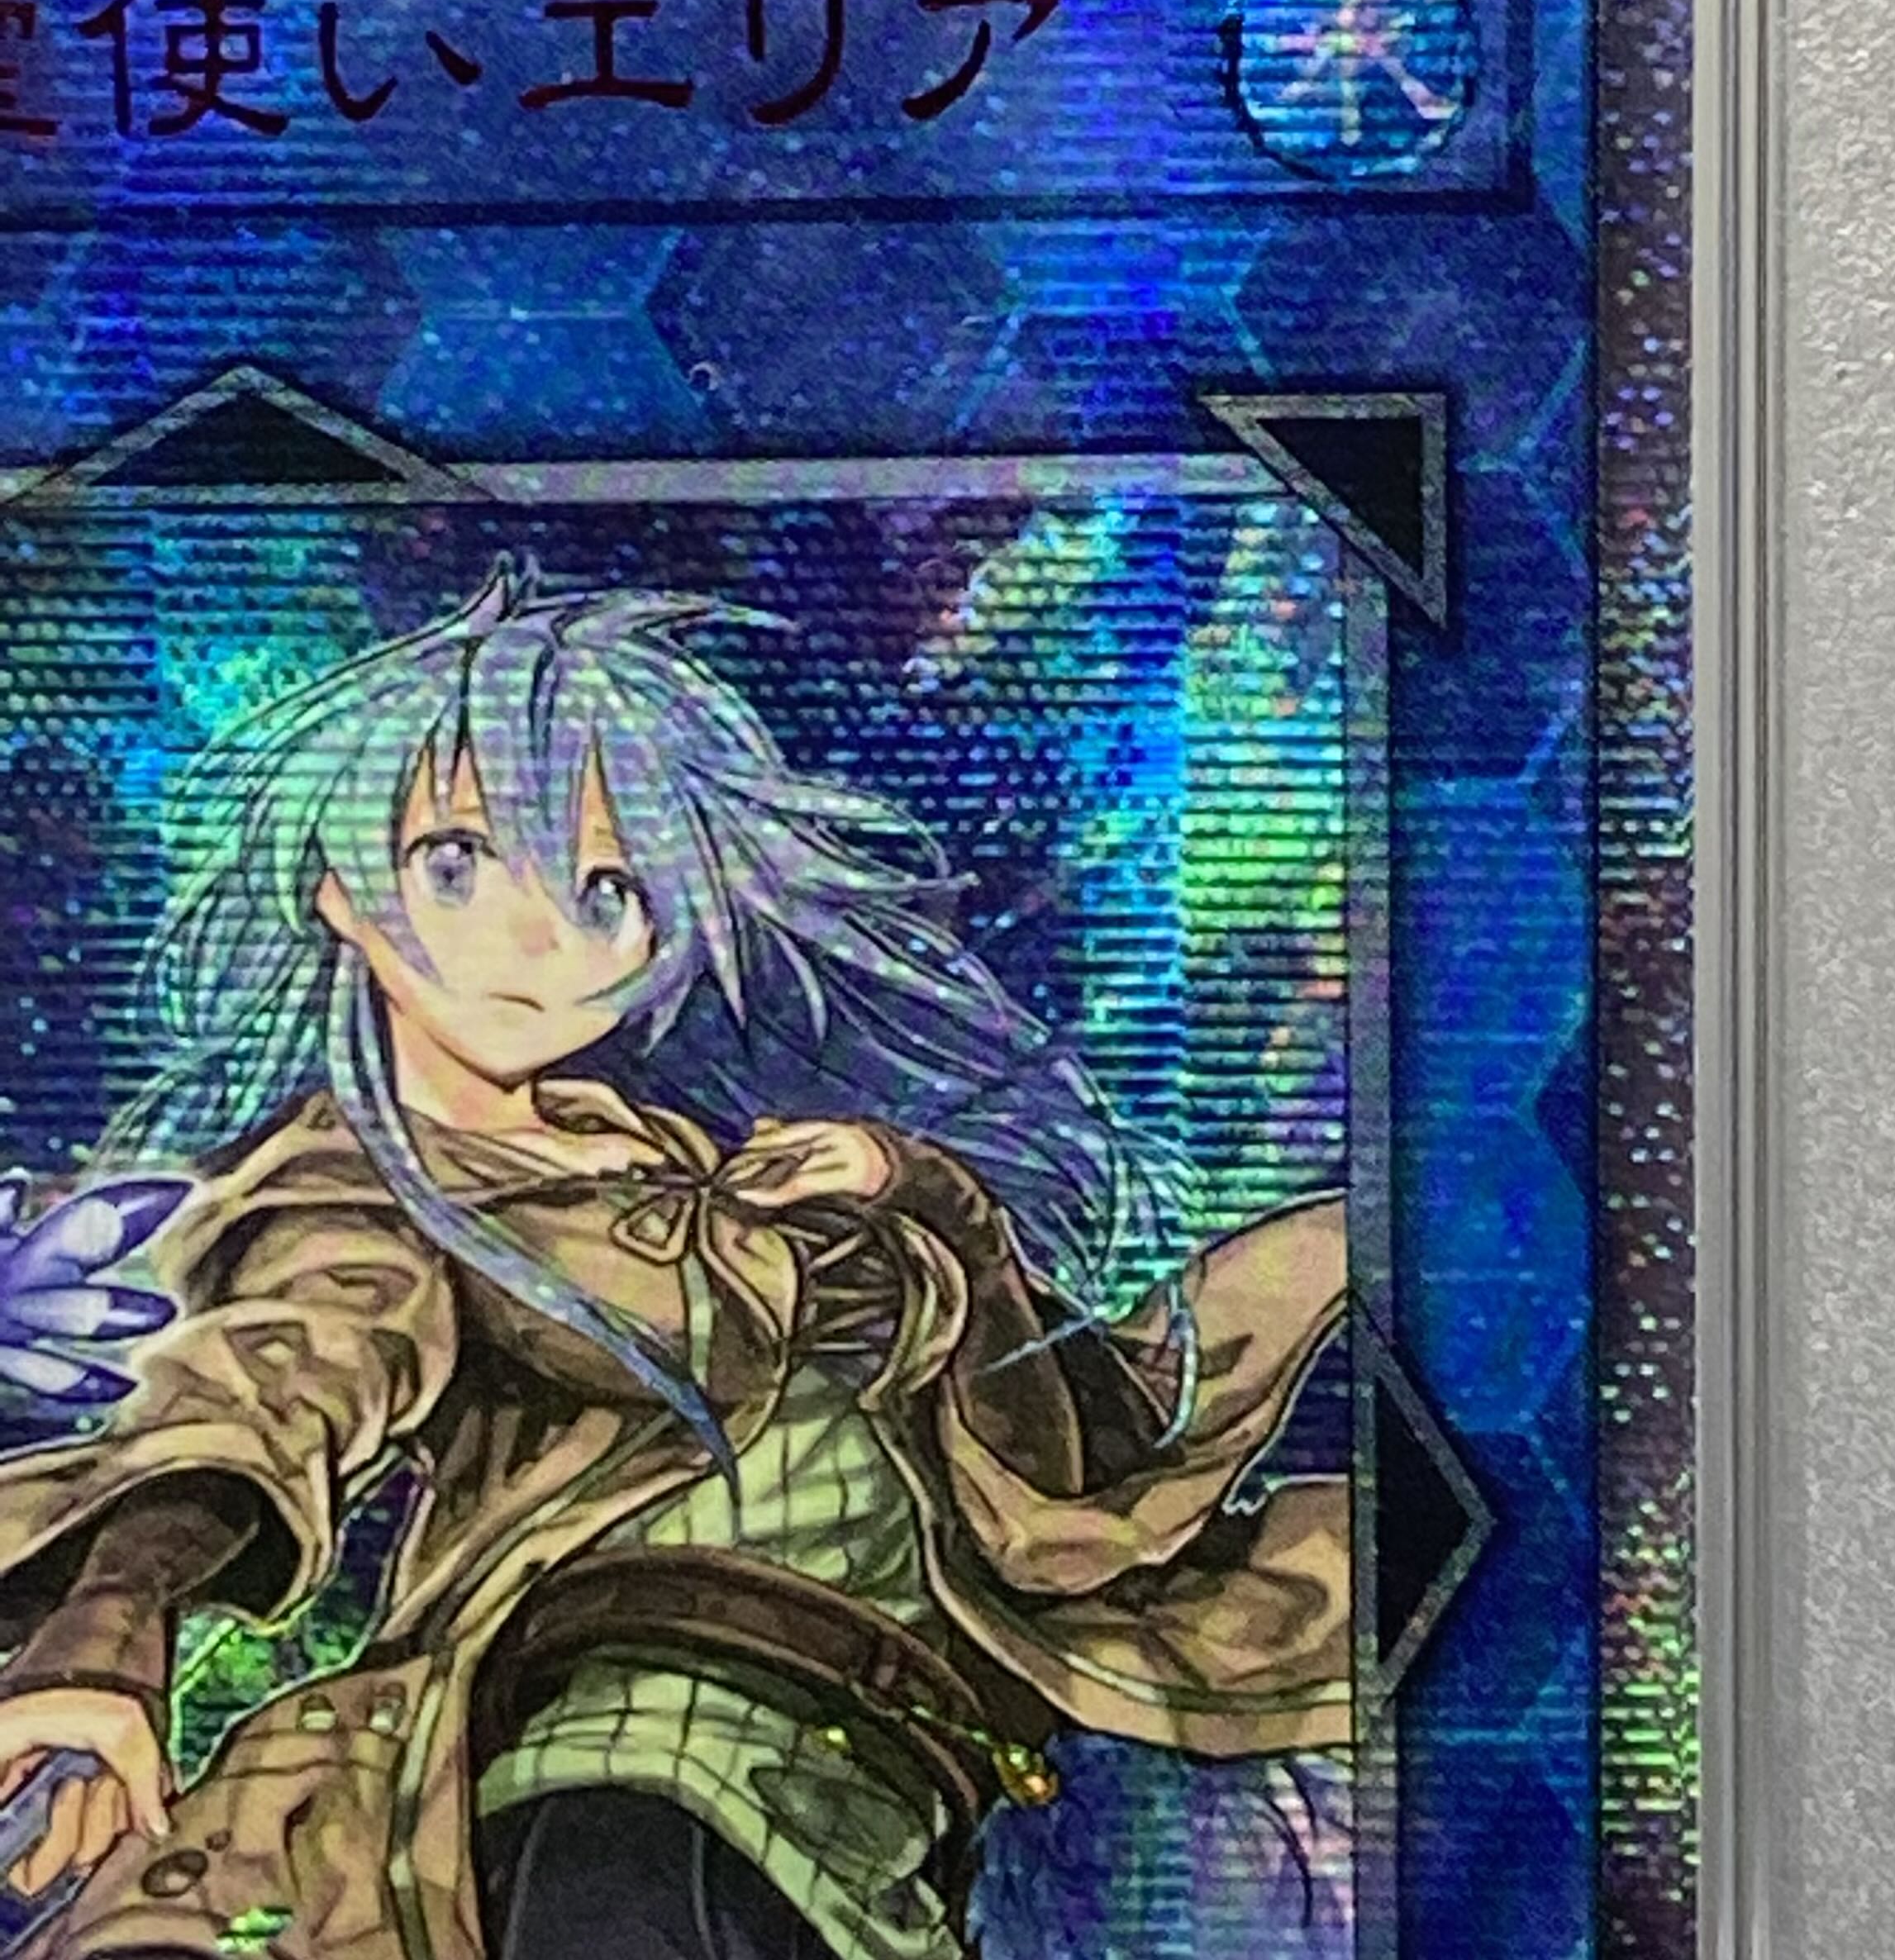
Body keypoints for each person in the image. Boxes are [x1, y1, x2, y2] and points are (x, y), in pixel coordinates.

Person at [0, 564, 1349, 1960]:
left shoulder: (699, 1163)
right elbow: (283, 1372)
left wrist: (920, 1195)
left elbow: (1062, 1439)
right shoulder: (369, 1183)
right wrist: (111, 1618)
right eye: (456, 865)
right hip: (641, 1775)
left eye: (607, 889)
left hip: (888, 1803)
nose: (538, 938)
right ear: (339, 889)